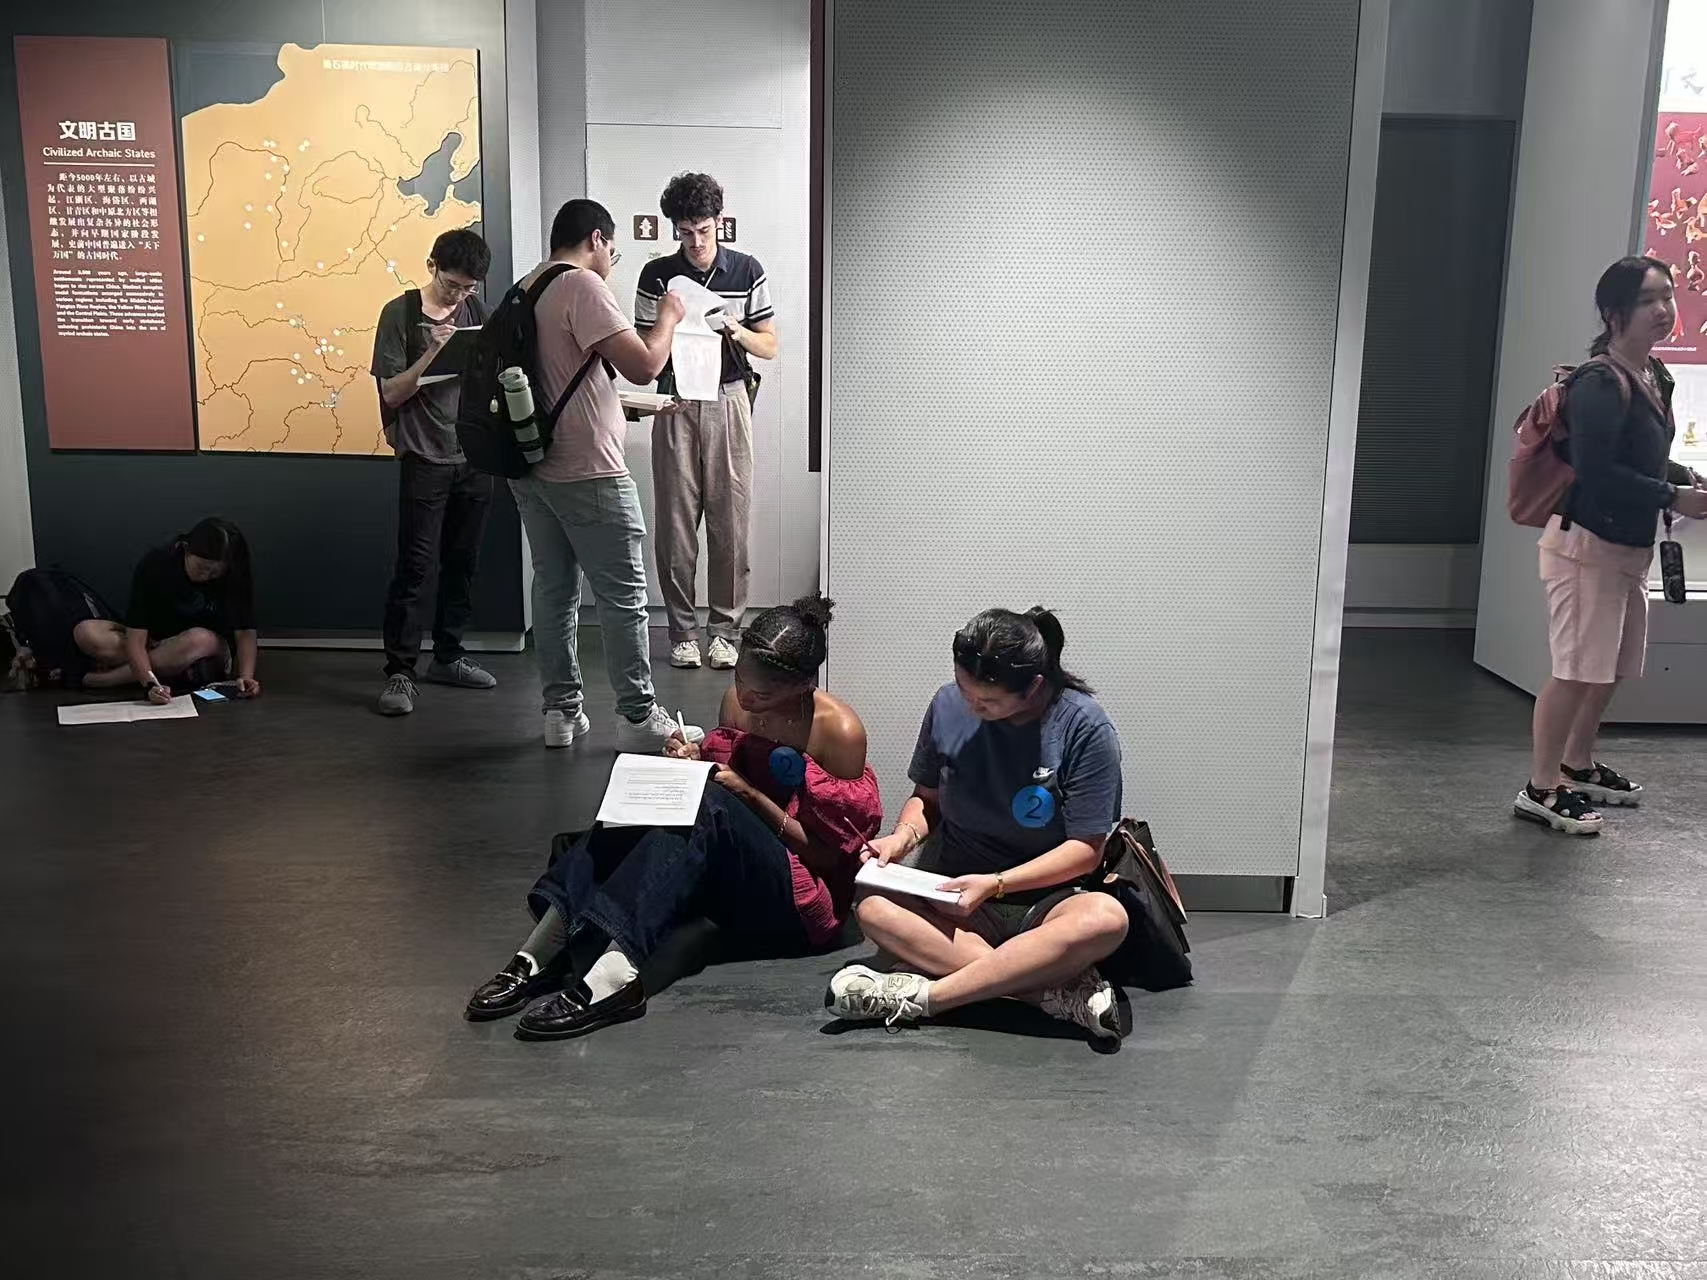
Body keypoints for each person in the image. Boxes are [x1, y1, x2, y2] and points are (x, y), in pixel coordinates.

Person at [465, 594, 881, 1040]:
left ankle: (615, 977)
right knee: (638, 811)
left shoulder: (838, 731)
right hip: (732, 876)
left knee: (708, 804)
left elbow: (829, 857)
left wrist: (750, 794)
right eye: (739, 679)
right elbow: (720, 802)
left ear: (802, 686)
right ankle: (538, 954)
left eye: (762, 694)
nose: (745, 698)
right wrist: (690, 761)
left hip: (799, 899)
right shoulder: (737, 702)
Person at [824, 608, 1131, 1040]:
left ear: (1034, 686)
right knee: (874, 908)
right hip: (955, 896)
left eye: (987, 701)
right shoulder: (947, 704)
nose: (971, 706)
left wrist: (996, 884)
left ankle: (925, 997)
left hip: (1048, 902)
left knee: (1106, 919)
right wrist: (901, 838)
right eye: (964, 690)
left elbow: (1085, 850)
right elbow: (927, 799)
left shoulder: (1084, 726)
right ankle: (1051, 992)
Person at [1516, 256, 1707, 835]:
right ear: (1613, 312)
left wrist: (1683, 477)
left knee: (1609, 668)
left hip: (1626, 547)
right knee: (1575, 670)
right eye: (1649, 300)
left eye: (1668, 296)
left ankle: (1577, 763)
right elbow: (1597, 472)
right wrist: (1672, 496)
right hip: (1585, 548)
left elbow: (1640, 457)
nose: (1664, 310)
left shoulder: (1654, 374)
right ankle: (1541, 787)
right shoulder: (1599, 382)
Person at [511, 199, 692, 750]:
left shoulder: (527, 286)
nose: (612, 258)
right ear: (596, 239)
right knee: (624, 596)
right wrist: (669, 316)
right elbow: (646, 364)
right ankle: (638, 717)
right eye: (612, 248)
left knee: (554, 589)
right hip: (589, 471)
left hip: (532, 467)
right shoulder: (582, 286)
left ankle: (560, 712)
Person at [635, 172, 777, 673]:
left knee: (730, 521)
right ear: (675, 228)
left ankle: (725, 632)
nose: (695, 241)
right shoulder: (657, 275)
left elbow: (769, 345)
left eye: (703, 229)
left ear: (719, 221)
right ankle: (681, 633)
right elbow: (643, 351)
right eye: (685, 231)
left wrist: (733, 328)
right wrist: (669, 321)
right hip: (675, 400)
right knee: (675, 525)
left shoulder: (746, 270)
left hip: (729, 397)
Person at [371, 228, 497, 716]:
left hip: (474, 456)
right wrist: (432, 355)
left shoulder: (478, 313)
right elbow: (391, 392)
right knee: (415, 566)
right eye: (451, 285)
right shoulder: (400, 314)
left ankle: (448, 655)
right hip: (424, 456)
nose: (458, 295)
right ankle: (400, 672)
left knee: (463, 563)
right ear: (432, 266)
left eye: (468, 288)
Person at [77, 518, 261, 702]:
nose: (206, 576)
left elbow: (245, 631)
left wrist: (246, 677)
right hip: (159, 642)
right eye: (202, 568)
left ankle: (106, 680)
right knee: (87, 633)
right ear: (186, 549)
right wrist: (151, 683)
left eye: (214, 573)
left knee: (198, 640)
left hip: (207, 647)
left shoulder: (234, 575)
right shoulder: (156, 564)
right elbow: (136, 637)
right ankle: (172, 669)